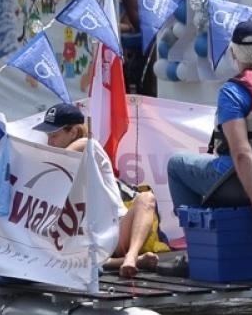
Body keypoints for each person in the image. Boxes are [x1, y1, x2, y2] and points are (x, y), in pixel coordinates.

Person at [165, 20, 252, 222]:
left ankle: (196, 234)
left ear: (233, 54)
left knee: (176, 164)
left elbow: (241, 154)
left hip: (237, 181)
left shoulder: (233, 92)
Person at [35, 103, 161, 278]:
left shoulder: (88, 144)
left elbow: (68, 154)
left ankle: (131, 256)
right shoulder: (59, 159)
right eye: (48, 136)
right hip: (85, 238)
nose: (50, 142)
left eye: (54, 136)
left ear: (74, 132)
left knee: (146, 198)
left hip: (115, 230)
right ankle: (129, 261)